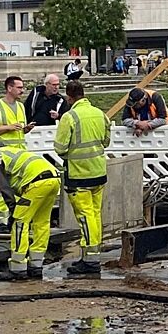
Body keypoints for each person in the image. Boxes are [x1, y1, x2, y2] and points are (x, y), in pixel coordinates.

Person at [55, 80, 111, 277]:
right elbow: (106, 141)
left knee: (85, 217)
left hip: (79, 175)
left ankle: (90, 260)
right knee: (95, 215)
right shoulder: (99, 113)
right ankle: (92, 256)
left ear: (69, 97)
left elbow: (60, 148)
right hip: (98, 171)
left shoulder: (69, 117)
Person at [0, 148, 60, 282]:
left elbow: (5, 188)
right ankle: (36, 265)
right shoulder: (7, 151)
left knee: (20, 223)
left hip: (36, 183)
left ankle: (18, 268)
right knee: (41, 222)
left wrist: (13, 210)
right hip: (54, 178)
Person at [0, 76, 34, 228]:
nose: (22, 90)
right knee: (4, 187)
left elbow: (18, 131)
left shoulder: (20, 106)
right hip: (4, 153)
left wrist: (25, 129)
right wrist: (8, 127)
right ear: (9, 88)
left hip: (20, 153)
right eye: (19, 87)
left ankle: (16, 216)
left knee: (18, 187)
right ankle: (2, 220)